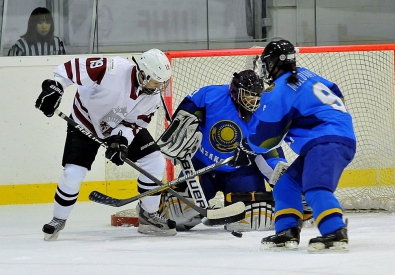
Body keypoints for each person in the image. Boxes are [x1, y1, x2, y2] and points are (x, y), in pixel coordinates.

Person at [34, 49, 176, 240]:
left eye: (162, 82)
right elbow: (70, 69)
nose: (159, 86)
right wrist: (56, 87)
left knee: (155, 161)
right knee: (73, 173)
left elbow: (134, 124)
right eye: (156, 81)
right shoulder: (112, 69)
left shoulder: (152, 97)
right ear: (143, 73)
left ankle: (148, 214)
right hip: (85, 121)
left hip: (117, 124)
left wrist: (121, 140)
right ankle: (58, 219)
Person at [229, 40, 356, 252]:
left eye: (266, 63)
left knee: (315, 187)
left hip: (325, 140)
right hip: (330, 138)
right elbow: (335, 91)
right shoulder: (306, 74)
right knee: (285, 184)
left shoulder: (279, 89)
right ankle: (286, 232)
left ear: (271, 64)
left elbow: (266, 137)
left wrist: (246, 148)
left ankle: (335, 231)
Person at [157, 69, 288, 232]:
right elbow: (184, 116)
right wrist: (177, 135)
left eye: (256, 96)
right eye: (248, 96)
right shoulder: (209, 96)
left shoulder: (265, 111)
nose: (253, 102)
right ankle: (151, 209)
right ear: (235, 92)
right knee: (176, 215)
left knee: (254, 217)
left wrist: (287, 182)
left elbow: (270, 149)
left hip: (240, 172)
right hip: (201, 168)